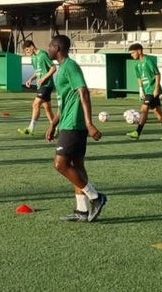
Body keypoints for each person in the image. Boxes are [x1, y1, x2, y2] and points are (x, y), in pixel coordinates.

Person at [45, 35, 106, 222]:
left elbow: (84, 92)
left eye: (50, 46)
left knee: (60, 165)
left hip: (74, 125)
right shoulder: (61, 68)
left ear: (57, 47)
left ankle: (96, 197)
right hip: (66, 123)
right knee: (77, 167)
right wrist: (53, 124)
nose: (47, 49)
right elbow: (65, 102)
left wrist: (89, 123)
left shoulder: (70, 66)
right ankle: (82, 210)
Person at [125, 43, 162, 141]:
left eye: (132, 53)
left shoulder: (148, 60)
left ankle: (137, 132)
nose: (131, 55)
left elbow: (157, 74)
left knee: (144, 109)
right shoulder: (136, 64)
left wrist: (156, 89)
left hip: (152, 90)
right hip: (146, 90)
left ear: (139, 51)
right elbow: (139, 77)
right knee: (157, 112)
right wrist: (140, 90)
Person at [17, 40, 56, 136]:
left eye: (27, 50)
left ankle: (31, 128)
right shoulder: (33, 58)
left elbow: (53, 68)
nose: (27, 53)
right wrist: (30, 79)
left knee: (35, 104)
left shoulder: (43, 55)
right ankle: (55, 128)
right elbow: (37, 71)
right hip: (41, 85)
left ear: (32, 47)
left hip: (47, 84)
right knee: (47, 108)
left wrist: (43, 78)